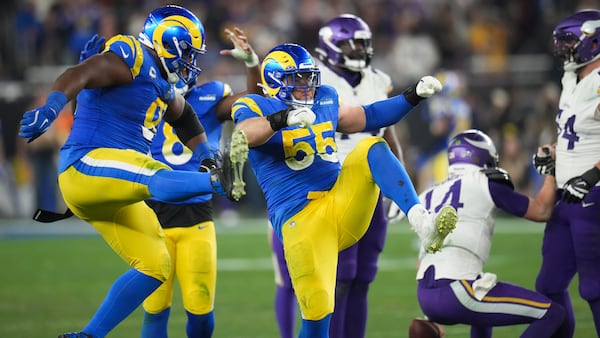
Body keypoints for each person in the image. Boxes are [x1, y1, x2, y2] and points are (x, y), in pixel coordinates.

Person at [18, 5, 244, 338]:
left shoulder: (162, 84)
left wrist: (207, 154)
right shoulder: (133, 54)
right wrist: (51, 109)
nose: (191, 63)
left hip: (113, 188)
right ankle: (217, 183)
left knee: (156, 265)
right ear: (168, 42)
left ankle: (88, 335)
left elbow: (184, 118)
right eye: (188, 53)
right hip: (86, 166)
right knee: (150, 171)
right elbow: (78, 75)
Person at [229, 42, 457, 338]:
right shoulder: (255, 105)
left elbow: (371, 116)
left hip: (339, 201)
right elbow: (244, 134)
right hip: (302, 220)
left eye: (308, 77)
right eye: (297, 79)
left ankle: (421, 221)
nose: (307, 85)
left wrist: (412, 96)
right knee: (318, 321)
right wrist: (282, 119)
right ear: (275, 81)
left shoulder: (323, 99)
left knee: (372, 145)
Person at [268, 14, 404, 338]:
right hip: (327, 188)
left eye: (362, 43)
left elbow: (387, 132)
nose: (358, 50)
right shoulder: (313, 80)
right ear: (330, 47)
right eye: (350, 44)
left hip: (370, 189)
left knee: (362, 279)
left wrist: (399, 182)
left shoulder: (379, 80)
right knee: (336, 281)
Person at [140, 27, 261, 338]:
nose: (186, 66)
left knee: (201, 314)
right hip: (150, 217)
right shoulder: (140, 93)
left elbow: (254, 103)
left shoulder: (209, 96)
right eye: (183, 59)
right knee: (154, 311)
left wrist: (251, 63)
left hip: (197, 217)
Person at [413, 129, 565, 338]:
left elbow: (420, 262)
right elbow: (541, 210)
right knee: (553, 313)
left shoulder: (428, 194)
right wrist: (551, 171)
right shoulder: (485, 183)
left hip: (425, 295)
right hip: (457, 291)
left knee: (482, 306)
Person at [533, 9, 600, 337]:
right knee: (548, 284)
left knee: (595, 286)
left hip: (594, 195)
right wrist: (552, 154)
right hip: (566, 196)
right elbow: (576, 134)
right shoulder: (571, 77)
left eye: (569, 42)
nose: (562, 49)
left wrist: (593, 175)